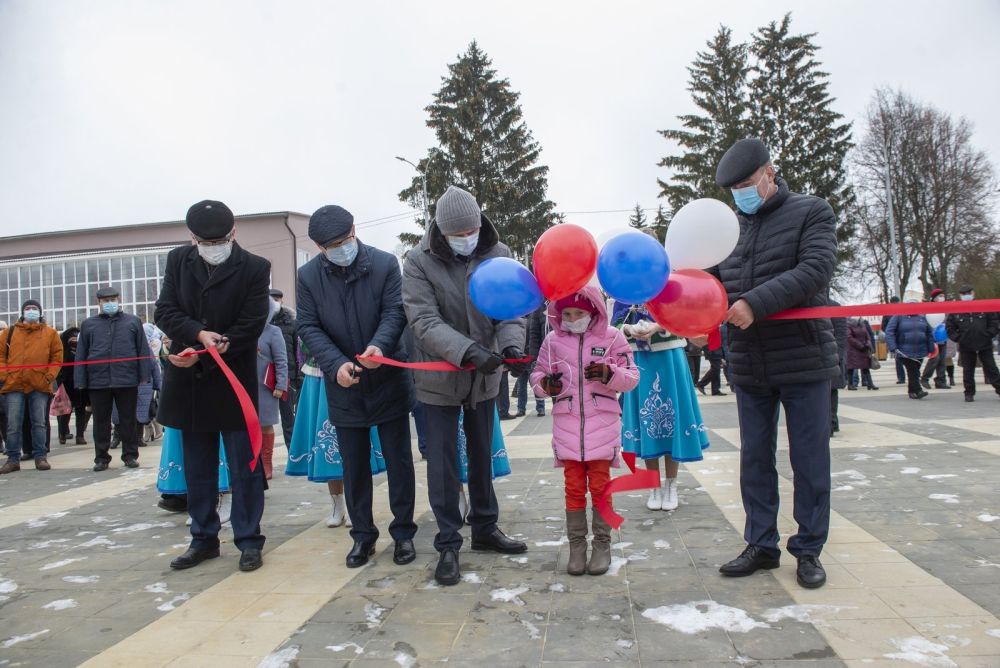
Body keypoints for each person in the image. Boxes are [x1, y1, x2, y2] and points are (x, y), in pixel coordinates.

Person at [710, 138, 839, 589]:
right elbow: (709, 282)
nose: (742, 194)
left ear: (769, 172)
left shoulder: (811, 212)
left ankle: (808, 548)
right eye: (735, 189)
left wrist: (753, 303)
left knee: (808, 460)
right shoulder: (728, 229)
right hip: (749, 363)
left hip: (803, 358)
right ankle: (760, 543)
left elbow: (816, 270)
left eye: (747, 184)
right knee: (755, 459)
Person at [402, 185, 529, 586]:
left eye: (471, 230)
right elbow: (423, 321)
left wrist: (510, 344)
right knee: (442, 464)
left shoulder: (499, 254)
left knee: (482, 455)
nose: (466, 238)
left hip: (485, 376)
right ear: (441, 231)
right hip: (439, 378)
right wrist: (468, 350)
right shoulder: (418, 261)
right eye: (458, 233)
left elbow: (512, 309)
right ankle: (447, 543)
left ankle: (486, 528)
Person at [297, 204, 417, 569]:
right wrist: (336, 365)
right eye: (330, 246)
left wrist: (378, 347)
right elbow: (308, 325)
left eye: (344, 240)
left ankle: (403, 534)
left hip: (387, 378)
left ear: (355, 230)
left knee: (399, 462)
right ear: (319, 248)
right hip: (344, 383)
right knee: (354, 466)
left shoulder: (383, 264)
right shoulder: (308, 277)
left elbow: (395, 311)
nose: (340, 249)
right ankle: (363, 536)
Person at [155, 199, 270, 573]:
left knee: (244, 464)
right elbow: (165, 311)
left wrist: (220, 343)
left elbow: (253, 321)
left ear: (233, 234)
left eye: (220, 239)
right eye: (206, 241)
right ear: (193, 239)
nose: (214, 246)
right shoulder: (177, 261)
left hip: (232, 378)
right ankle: (203, 537)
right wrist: (197, 335)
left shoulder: (254, 267)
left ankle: (249, 539)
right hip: (189, 379)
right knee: (198, 467)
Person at [532, 287, 639, 575]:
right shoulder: (552, 341)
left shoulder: (613, 338)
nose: (572, 318)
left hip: (602, 425)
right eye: (566, 313)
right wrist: (545, 386)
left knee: (601, 487)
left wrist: (610, 375)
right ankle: (577, 546)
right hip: (568, 426)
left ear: (593, 311)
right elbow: (538, 374)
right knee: (573, 488)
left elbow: (632, 377)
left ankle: (602, 545)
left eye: (579, 313)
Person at [613, 300, 709, 511]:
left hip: (669, 355)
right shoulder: (624, 289)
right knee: (646, 421)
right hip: (639, 357)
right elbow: (615, 323)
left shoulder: (669, 286)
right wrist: (629, 328)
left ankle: (671, 485)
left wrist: (659, 326)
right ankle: (653, 486)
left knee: (671, 419)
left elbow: (683, 318)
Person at [285, 339, 388, 528]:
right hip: (319, 374)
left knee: (355, 447)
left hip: (351, 371)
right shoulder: (311, 311)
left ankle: (354, 506)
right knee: (325, 445)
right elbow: (306, 342)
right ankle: (337, 505)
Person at [75, 286, 152, 471]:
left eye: (113, 299)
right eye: (105, 300)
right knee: (101, 421)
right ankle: (101, 458)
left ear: (119, 300)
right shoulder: (89, 324)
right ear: (99, 303)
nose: (110, 303)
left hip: (127, 379)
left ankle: (130, 455)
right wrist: (80, 380)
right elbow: (81, 353)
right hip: (98, 380)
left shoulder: (133, 322)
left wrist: (144, 376)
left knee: (128, 420)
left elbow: (142, 351)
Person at [0, 300, 62, 473]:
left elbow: (56, 358)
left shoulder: (50, 333)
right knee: (13, 424)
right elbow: (1, 356)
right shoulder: (9, 332)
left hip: (39, 385)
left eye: (34, 308)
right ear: (22, 312)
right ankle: (13, 459)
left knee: (39, 423)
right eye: (28, 308)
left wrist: (48, 377)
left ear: (40, 312)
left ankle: (40, 457)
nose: (31, 311)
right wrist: (4, 375)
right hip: (14, 385)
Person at [946, 284, 1000, 402]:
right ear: (960, 296)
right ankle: (969, 393)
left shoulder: (983, 306)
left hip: (984, 343)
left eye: (968, 294)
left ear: (973, 293)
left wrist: (989, 334)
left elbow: (994, 322)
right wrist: (958, 338)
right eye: (964, 294)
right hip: (966, 345)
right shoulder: (956, 310)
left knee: (991, 368)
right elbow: (950, 328)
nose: (966, 296)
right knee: (968, 370)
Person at [257, 299, 288, 480]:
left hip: (266, 387)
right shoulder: (244, 330)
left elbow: (281, 360)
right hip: (245, 386)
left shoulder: (273, 332)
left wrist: (280, 385)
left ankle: (266, 462)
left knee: (266, 424)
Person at [269, 288, 301, 447]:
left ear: (282, 300)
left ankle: (294, 454)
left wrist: (297, 378)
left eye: (277, 299)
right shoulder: (260, 323)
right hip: (265, 377)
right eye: (271, 299)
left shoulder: (292, 323)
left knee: (289, 419)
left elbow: (298, 353)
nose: (274, 303)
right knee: (264, 421)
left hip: (287, 377)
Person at [885, 306, 935, 400]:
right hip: (903, 350)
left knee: (914, 371)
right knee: (913, 370)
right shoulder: (898, 317)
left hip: (920, 349)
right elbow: (889, 331)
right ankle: (918, 390)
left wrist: (931, 348)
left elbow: (929, 333)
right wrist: (893, 347)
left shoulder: (922, 317)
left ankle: (911, 392)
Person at [56, 327, 90, 445]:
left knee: (81, 409)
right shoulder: (63, 352)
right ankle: (62, 434)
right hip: (66, 383)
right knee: (66, 410)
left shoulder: (83, 351)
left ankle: (80, 435)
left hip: (80, 382)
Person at [920, 289, 949, 390]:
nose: (942, 298)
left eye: (943, 296)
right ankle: (925, 378)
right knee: (934, 359)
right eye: (940, 296)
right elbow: (925, 323)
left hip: (943, 338)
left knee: (942, 360)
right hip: (932, 339)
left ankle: (941, 381)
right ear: (934, 298)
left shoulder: (945, 308)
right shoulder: (928, 309)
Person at [526, 303, 548, 416]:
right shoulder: (538, 307)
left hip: (566, 358)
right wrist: (533, 359)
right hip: (544, 357)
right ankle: (540, 406)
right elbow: (534, 335)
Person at [830, 308, 848, 437]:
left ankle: (832, 423)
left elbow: (841, 336)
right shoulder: (835, 307)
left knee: (830, 393)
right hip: (831, 358)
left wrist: (838, 356)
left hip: (832, 358)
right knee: (830, 394)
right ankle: (832, 423)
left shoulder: (835, 308)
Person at [881, 296, 906, 385]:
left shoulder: (887, 312)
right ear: (899, 302)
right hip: (904, 337)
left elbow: (883, 327)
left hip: (894, 338)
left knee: (898, 359)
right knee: (909, 356)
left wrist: (890, 333)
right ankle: (914, 375)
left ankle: (901, 378)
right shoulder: (904, 311)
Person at [845, 317, 873, 391]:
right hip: (853, 350)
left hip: (864, 349)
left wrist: (867, 344)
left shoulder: (862, 324)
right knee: (851, 367)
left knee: (865, 366)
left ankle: (870, 384)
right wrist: (860, 345)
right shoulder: (848, 325)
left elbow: (868, 336)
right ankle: (850, 385)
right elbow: (849, 337)